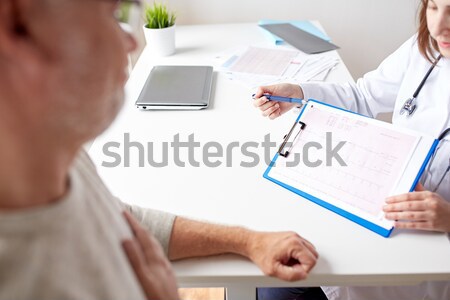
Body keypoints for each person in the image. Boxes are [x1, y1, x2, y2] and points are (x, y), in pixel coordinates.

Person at [0, 0, 320, 299]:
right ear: (13, 27)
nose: (132, 44)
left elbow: (123, 219)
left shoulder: (60, 158)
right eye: (113, 15)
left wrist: (250, 241)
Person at [254, 0, 450, 299]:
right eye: (433, 7)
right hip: (374, 206)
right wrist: (300, 94)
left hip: (428, 255)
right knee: (276, 279)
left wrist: (448, 217)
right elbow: (363, 96)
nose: (437, 26)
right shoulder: (426, 48)